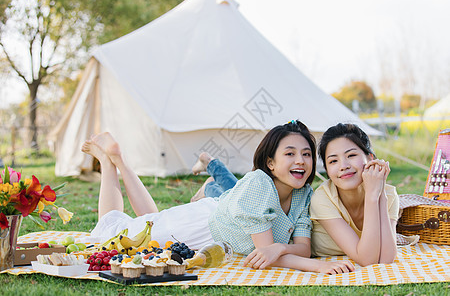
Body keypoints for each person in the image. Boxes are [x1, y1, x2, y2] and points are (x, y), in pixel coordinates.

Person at [83, 120, 354, 274]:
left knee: (148, 221)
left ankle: (118, 160)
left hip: (209, 225)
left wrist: (279, 247)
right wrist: (315, 268)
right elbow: (266, 254)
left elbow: (301, 249)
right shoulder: (260, 183)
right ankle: (109, 164)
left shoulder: (304, 193)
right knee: (111, 229)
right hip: (199, 230)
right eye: (290, 153)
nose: (301, 160)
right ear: (270, 163)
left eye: (306, 154)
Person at [310, 123, 399, 266]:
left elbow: (387, 258)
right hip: (328, 259)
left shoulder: (389, 194)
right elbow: (367, 260)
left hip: (365, 252)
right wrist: (372, 196)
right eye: (333, 161)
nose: (343, 166)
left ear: (370, 158)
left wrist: (379, 193)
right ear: (326, 169)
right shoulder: (322, 198)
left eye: (351, 155)